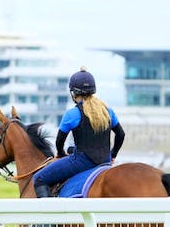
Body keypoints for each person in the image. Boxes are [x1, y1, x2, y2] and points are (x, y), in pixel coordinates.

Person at [32, 66, 125, 198]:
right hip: (105, 160)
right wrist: (113, 154)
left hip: (82, 162)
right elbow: (121, 134)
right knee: (72, 150)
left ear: (73, 93)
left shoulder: (72, 114)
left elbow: (59, 141)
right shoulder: (107, 111)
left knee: (39, 178)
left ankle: (49, 215)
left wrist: (60, 153)